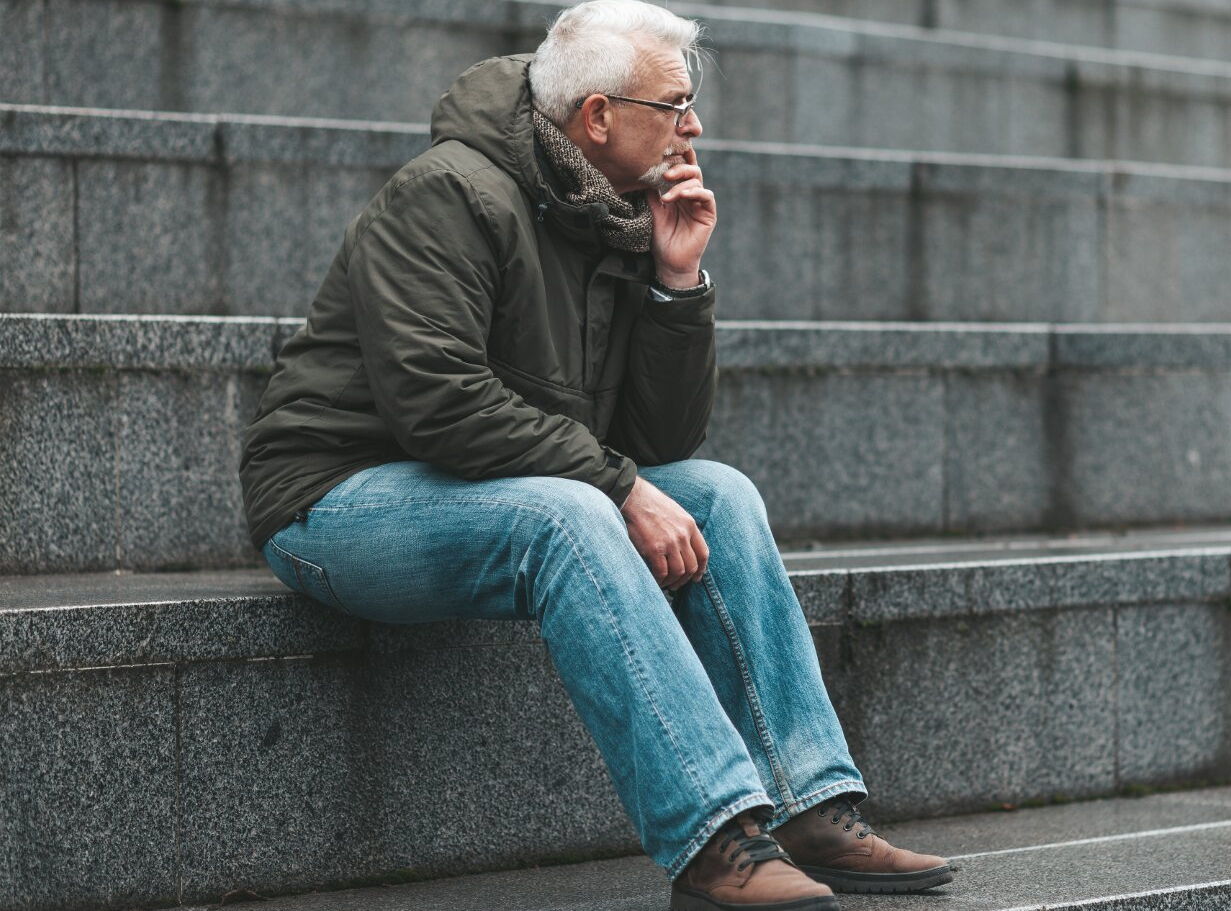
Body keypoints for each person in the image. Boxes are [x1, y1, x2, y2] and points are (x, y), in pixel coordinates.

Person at [236, 2, 953, 908]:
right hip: (333, 502)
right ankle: (713, 841)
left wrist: (676, 284)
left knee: (718, 494)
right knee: (572, 514)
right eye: (676, 102)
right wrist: (617, 486)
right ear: (599, 116)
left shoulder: (614, 212)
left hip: (487, 485)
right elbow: (440, 403)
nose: (694, 126)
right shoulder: (448, 193)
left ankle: (809, 804)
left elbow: (660, 445)